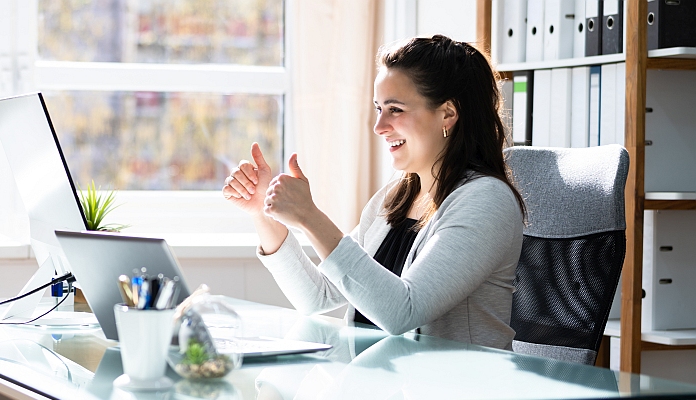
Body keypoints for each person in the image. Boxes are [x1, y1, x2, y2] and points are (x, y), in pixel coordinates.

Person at [223, 35, 526, 350]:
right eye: (379, 108)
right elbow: (319, 297)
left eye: (395, 109)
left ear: (447, 114)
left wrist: (310, 217)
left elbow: (402, 311)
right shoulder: (396, 195)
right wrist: (263, 211)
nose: (379, 126)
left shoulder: (486, 200)